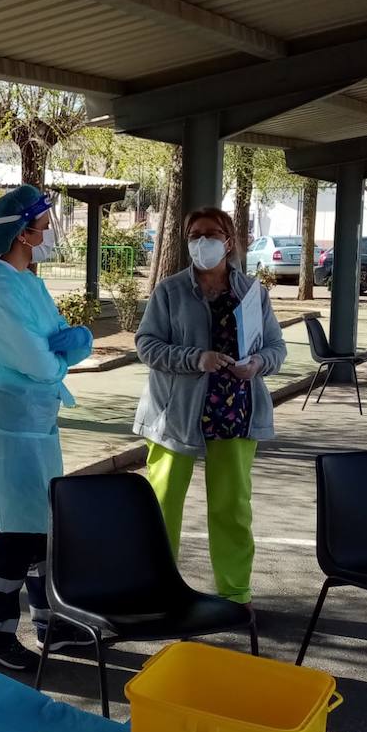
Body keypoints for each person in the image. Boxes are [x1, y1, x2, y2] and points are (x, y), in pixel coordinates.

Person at [0, 185, 93, 670]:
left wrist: (64, 346)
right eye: (42, 224)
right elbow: (40, 362)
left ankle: (49, 623)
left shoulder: (27, 283)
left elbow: (51, 340)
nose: (47, 232)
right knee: (17, 534)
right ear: (23, 233)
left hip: (33, 421)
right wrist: (65, 354)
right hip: (10, 423)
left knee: (41, 528)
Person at [132, 206, 287, 606]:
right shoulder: (169, 291)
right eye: (195, 235)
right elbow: (146, 345)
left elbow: (276, 347)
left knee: (232, 507)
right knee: (163, 505)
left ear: (229, 241)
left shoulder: (252, 292)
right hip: (175, 414)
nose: (203, 242)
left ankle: (235, 594)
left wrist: (258, 364)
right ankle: (157, 591)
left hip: (235, 412)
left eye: (212, 234)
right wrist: (195, 359)